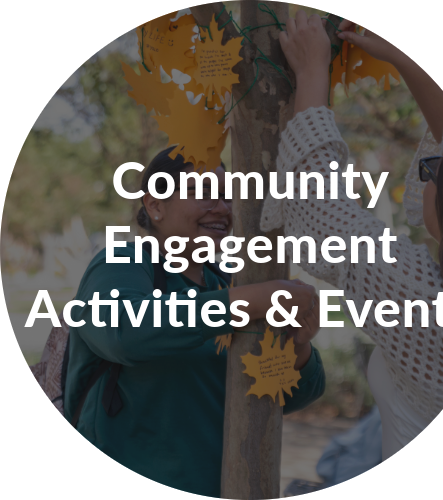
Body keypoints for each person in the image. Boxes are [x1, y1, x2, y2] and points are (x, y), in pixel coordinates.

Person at [261, 12, 443, 461]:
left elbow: (318, 205)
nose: (423, 174)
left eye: (432, 169)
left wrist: (313, 72)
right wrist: (400, 58)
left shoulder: (431, 307)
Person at [64, 148, 326, 496]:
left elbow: (278, 396)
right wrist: (250, 301)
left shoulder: (227, 284)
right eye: (202, 193)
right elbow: (123, 333)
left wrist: (298, 344)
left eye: (227, 197)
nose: (221, 209)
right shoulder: (121, 262)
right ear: (155, 205)